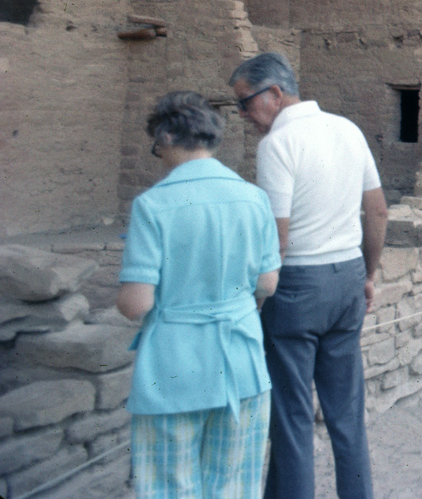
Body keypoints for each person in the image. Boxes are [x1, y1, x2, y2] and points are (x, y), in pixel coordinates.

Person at [229, 52, 388, 499]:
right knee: (346, 414)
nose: (243, 114)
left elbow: (274, 238)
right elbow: (376, 209)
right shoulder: (347, 129)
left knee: (292, 416)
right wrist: (368, 273)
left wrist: (259, 294)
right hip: (347, 278)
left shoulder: (278, 144)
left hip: (298, 284)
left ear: (275, 94)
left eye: (245, 103)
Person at [117, 92, 280, 497]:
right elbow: (268, 284)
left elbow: (138, 303)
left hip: (174, 367)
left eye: (157, 146)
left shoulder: (153, 205)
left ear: (168, 137)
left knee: (170, 487)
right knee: (234, 486)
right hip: (240, 363)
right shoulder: (254, 197)